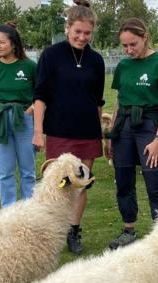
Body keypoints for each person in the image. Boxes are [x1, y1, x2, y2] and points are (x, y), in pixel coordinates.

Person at [33, 0, 105, 255]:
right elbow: (40, 95)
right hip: (58, 131)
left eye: (87, 33)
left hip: (87, 132)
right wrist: (38, 131)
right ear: (68, 28)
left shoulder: (96, 60)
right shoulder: (51, 56)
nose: (82, 37)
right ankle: (52, 230)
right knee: (59, 184)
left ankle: (73, 230)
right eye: (78, 32)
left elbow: (98, 100)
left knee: (80, 185)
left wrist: (99, 133)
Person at [105, 18, 158, 250]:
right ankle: (128, 230)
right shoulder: (124, 66)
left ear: (145, 37)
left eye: (133, 44)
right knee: (124, 182)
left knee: (154, 183)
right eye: (124, 46)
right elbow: (118, 103)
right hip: (123, 128)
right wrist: (112, 135)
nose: (128, 50)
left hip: (149, 127)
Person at [0, 23, 37, 207]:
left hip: (25, 120)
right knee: (5, 171)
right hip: (2, 120)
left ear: (13, 45)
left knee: (28, 170)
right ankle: (9, 211)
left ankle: (29, 210)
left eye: (2, 42)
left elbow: (41, 94)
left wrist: (28, 112)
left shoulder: (29, 66)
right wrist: (0, 111)